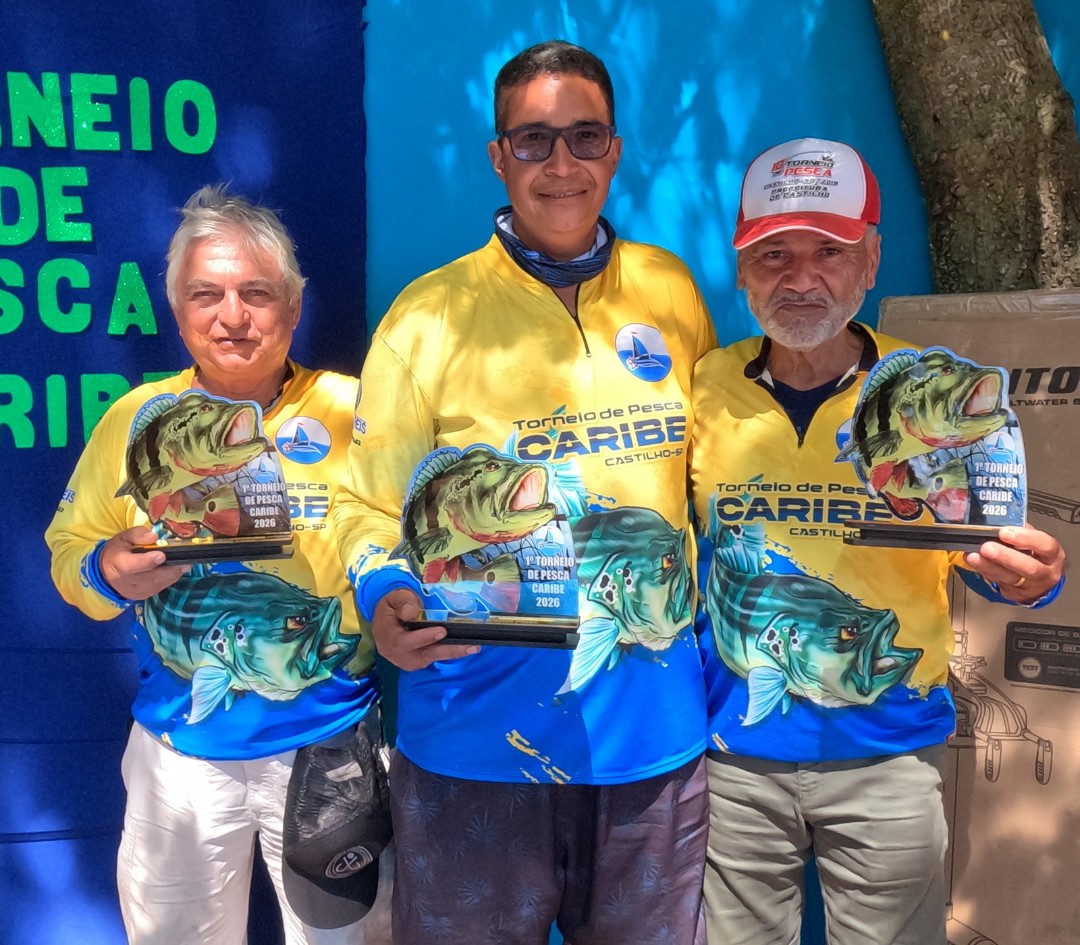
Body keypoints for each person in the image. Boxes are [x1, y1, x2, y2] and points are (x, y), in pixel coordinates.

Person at [333, 40, 717, 945]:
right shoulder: (426, 317)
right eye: (534, 140)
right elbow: (364, 506)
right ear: (498, 157)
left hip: (651, 746)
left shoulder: (669, 292)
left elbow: (711, 484)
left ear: (614, 150)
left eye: (585, 137)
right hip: (472, 741)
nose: (562, 163)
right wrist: (383, 594)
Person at [690, 137, 1066, 945]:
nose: (801, 278)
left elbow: (987, 544)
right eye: (774, 254)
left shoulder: (932, 390)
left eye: (829, 251)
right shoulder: (702, 388)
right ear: (742, 268)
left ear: (870, 261)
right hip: (732, 757)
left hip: (889, 754)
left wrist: (1028, 576)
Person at [45, 185, 389, 945]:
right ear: (178, 312)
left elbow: (406, 548)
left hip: (331, 746)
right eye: (207, 294)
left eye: (256, 293)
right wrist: (106, 570)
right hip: (180, 756)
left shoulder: (357, 411)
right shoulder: (135, 421)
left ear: (293, 308)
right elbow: (69, 554)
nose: (233, 316)